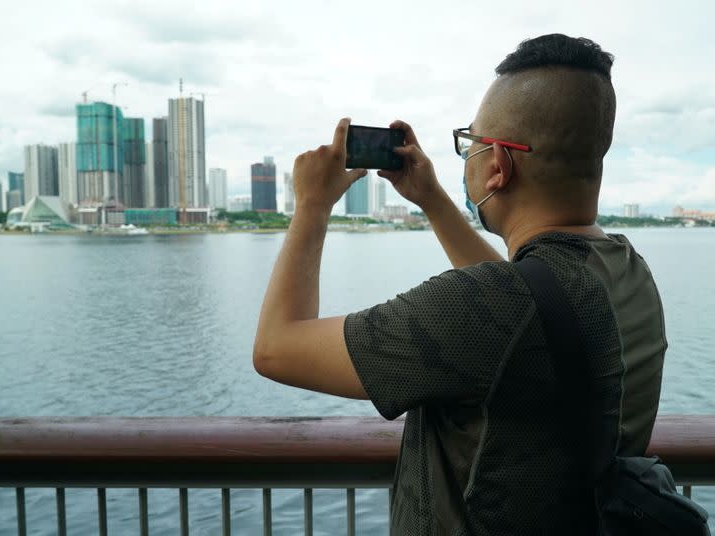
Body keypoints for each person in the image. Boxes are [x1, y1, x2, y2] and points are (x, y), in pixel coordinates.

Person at [253, 33, 666, 535]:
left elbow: (276, 347)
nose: (465, 158)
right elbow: (529, 297)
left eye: (470, 144)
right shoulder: (629, 271)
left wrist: (312, 205)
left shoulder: (481, 309)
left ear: (498, 166)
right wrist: (430, 198)